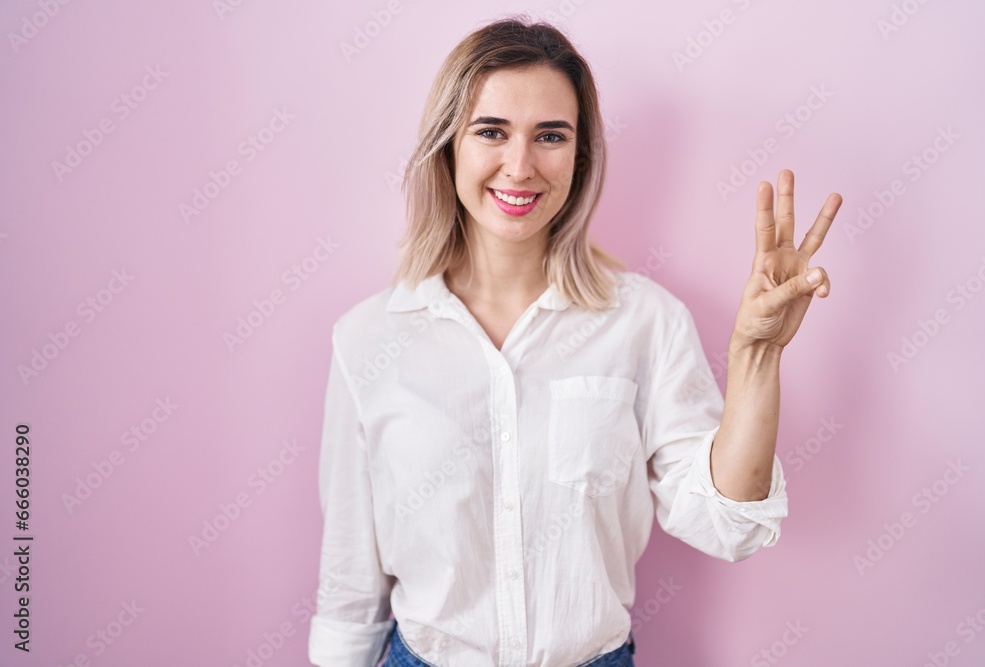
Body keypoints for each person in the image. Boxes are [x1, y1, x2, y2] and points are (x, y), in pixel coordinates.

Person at [307, 15, 842, 667]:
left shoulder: (645, 321)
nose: (521, 165)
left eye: (551, 135)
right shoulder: (369, 338)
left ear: (580, 154)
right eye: (491, 131)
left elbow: (725, 523)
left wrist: (758, 354)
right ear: (449, 145)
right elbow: (350, 588)